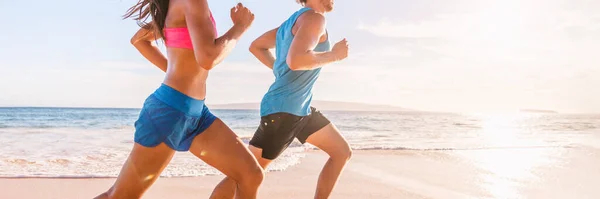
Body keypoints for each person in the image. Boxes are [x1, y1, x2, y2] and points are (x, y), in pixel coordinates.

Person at [94, 1, 263, 199]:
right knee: (119, 196)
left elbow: (138, 40)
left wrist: (176, 71)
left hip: (197, 114)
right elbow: (208, 58)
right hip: (169, 112)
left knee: (250, 175)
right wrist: (240, 27)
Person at [210, 0, 352, 198]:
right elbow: (297, 60)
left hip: (301, 109)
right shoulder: (314, 18)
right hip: (284, 112)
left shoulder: (293, 22)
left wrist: (281, 73)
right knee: (246, 174)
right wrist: (335, 55)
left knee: (341, 152)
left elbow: (256, 47)